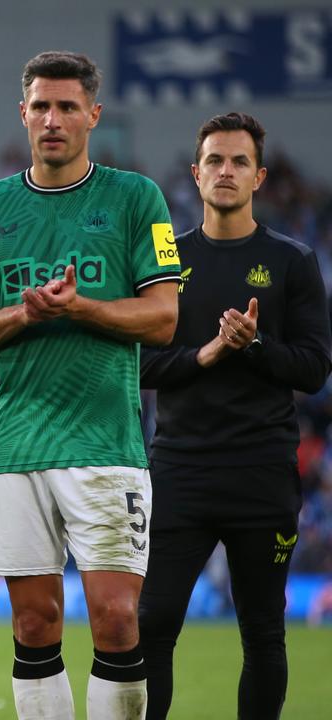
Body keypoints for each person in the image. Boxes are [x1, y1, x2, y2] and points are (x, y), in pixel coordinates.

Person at [0, 51, 180, 719]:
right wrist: (27, 311)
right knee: (35, 623)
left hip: (106, 441)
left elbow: (163, 318)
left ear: (93, 116)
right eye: (41, 106)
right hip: (17, 445)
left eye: (67, 107)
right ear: (23, 114)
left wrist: (81, 308)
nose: (52, 119)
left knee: (115, 618)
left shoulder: (135, 198)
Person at [138, 112, 331, 720]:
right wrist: (208, 353)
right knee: (152, 624)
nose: (226, 171)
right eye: (215, 160)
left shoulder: (292, 260)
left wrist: (253, 346)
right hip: (180, 468)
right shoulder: (163, 256)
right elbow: (140, 364)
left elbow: (314, 367)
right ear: (195, 175)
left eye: (239, 161)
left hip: (261, 471)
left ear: (260, 177)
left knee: (264, 634)